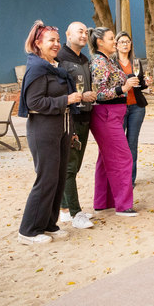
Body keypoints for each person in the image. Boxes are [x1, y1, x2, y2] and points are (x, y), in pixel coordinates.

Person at [17, 21, 85, 245]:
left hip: (62, 129)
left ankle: (48, 224)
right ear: (38, 43)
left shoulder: (55, 66)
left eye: (57, 40)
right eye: (51, 40)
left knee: (57, 179)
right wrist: (66, 99)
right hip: (43, 131)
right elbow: (33, 102)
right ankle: (28, 230)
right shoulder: (36, 68)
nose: (56, 44)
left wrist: (72, 131)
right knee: (46, 179)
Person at [90, 27, 140, 216]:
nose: (115, 41)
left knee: (105, 159)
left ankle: (103, 201)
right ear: (100, 42)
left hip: (114, 113)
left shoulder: (107, 61)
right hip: (106, 114)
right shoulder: (99, 63)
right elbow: (99, 94)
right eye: (111, 38)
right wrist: (123, 88)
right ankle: (123, 205)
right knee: (123, 157)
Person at [57, 22, 96, 230]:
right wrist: (80, 96)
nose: (84, 35)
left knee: (75, 166)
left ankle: (64, 210)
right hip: (70, 118)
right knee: (70, 167)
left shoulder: (84, 59)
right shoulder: (60, 59)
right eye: (79, 31)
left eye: (85, 32)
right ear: (68, 34)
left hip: (85, 116)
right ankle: (75, 212)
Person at [115, 32, 149, 184]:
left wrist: (145, 83)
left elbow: (139, 84)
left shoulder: (136, 62)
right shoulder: (111, 63)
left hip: (137, 107)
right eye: (122, 42)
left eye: (127, 42)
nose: (125, 44)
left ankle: (131, 179)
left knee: (132, 143)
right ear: (116, 45)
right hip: (119, 107)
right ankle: (119, 177)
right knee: (119, 145)